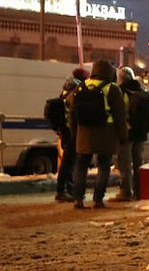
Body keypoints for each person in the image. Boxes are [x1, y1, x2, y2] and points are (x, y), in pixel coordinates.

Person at [70, 59, 128, 209]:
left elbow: (72, 114)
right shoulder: (112, 89)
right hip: (105, 132)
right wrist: (123, 137)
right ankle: (97, 199)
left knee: (81, 165)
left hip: (84, 132)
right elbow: (120, 116)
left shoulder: (81, 87)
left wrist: (74, 133)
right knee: (103, 165)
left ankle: (78, 199)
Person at [109, 66, 147, 202]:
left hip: (127, 132)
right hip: (140, 133)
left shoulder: (121, 91)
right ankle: (140, 192)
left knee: (124, 163)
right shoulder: (140, 89)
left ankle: (125, 192)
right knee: (138, 164)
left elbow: (121, 113)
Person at [54, 68, 88, 202]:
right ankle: (61, 191)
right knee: (69, 162)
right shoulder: (76, 91)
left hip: (65, 129)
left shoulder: (65, 90)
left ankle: (67, 189)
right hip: (72, 130)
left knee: (69, 161)